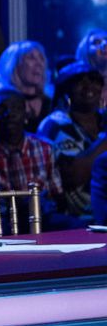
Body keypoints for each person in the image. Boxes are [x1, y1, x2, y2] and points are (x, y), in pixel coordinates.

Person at [38, 61, 107, 220]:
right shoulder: (56, 123)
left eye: (93, 80)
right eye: (79, 81)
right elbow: (71, 176)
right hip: (79, 217)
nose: (88, 86)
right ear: (65, 90)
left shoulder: (103, 119)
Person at [0, 40, 53, 132]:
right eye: (31, 58)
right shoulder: (1, 104)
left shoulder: (51, 104)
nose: (39, 63)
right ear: (14, 65)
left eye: (41, 58)